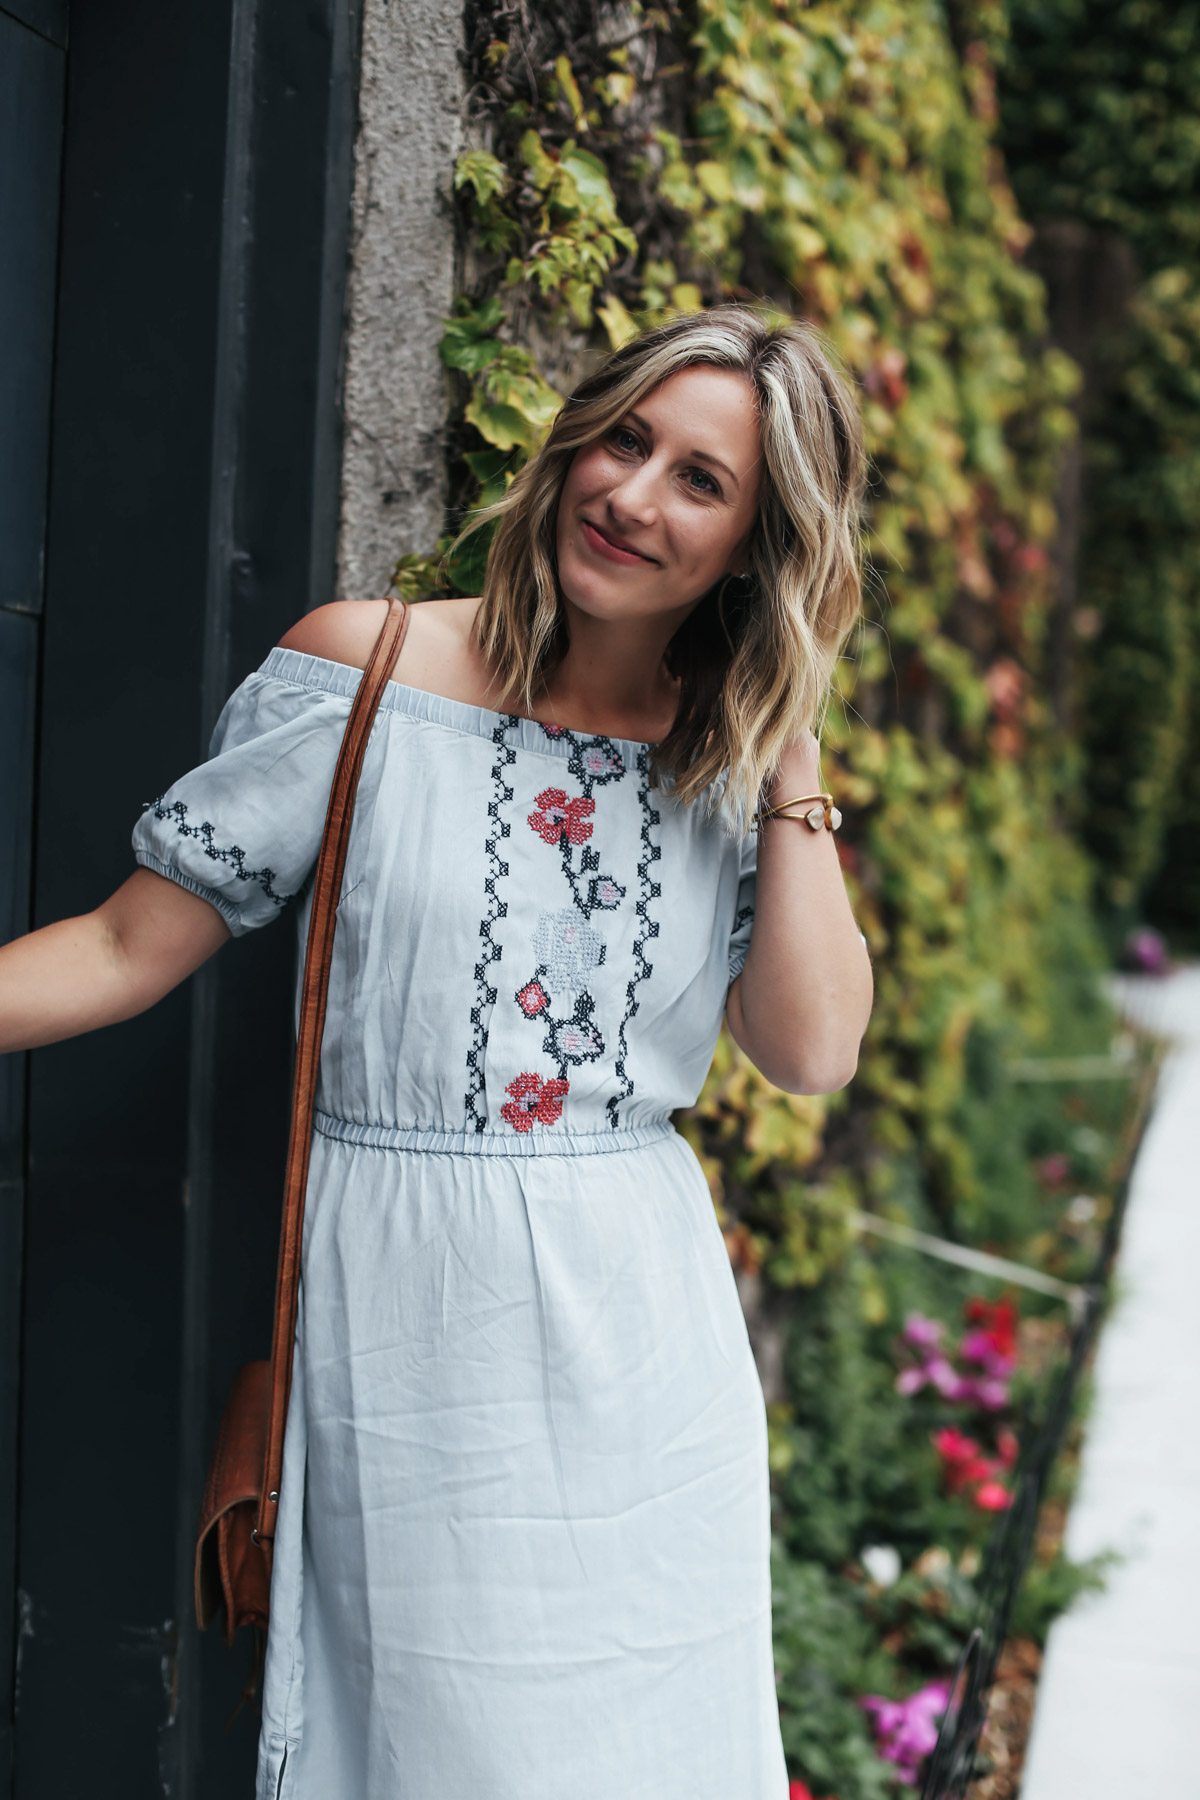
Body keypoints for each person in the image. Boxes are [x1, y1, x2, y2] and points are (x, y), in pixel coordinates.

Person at [0, 305, 873, 1798]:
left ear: (758, 548)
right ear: (573, 441)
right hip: (412, 1330)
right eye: (626, 438)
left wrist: (790, 751)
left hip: (644, 1348)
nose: (634, 495)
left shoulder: (726, 771)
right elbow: (122, 948)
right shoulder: (365, 673)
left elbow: (809, 1049)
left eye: (702, 483)